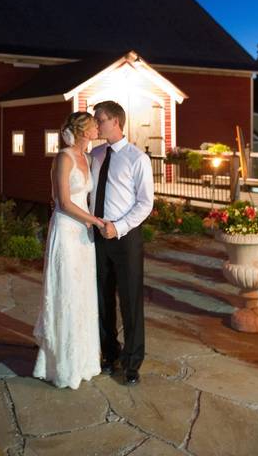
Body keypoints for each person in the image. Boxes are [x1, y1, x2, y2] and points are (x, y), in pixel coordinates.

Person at [33, 112, 107, 389]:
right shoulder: (64, 157)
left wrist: (91, 224)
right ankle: (61, 365)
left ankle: (84, 360)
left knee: (83, 294)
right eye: (93, 123)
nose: (97, 126)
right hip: (66, 231)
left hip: (83, 234)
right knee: (66, 292)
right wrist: (95, 221)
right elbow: (63, 201)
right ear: (83, 130)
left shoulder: (87, 158)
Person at [90, 100, 154, 386]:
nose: (96, 124)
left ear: (115, 121)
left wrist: (119, 226)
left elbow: (145, 203)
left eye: (99, 119)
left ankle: (132, 363)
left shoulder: (137, 158)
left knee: (130, 301)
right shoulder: (96, 154)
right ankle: (110, 354)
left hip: (126, 239)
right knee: (103, 299)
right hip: (98, 238)